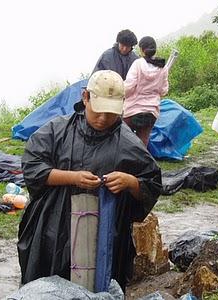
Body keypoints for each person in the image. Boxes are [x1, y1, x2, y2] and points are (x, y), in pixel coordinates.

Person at [17, 70, 162, 291]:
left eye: (111, 113)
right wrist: (72, 177)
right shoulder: (57, 131)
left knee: (99, 286)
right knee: (50, 285)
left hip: (105, 234)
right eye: (98, 110)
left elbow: (151, 182)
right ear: (85, 97)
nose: (103, 118)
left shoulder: (128, 143)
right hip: (54, 227)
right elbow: (32, 167)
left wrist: (130, 182)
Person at [123, 36, 169, 146]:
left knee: (124, 138)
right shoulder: (162, 67)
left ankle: (124, 161)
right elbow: (164, 90)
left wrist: (122, 95)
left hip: (132, 109)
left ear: (142, 49)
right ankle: (140, 161)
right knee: (143, 140)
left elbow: (128, 87)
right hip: (151, 111)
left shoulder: (138, 64)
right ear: (155, 49)